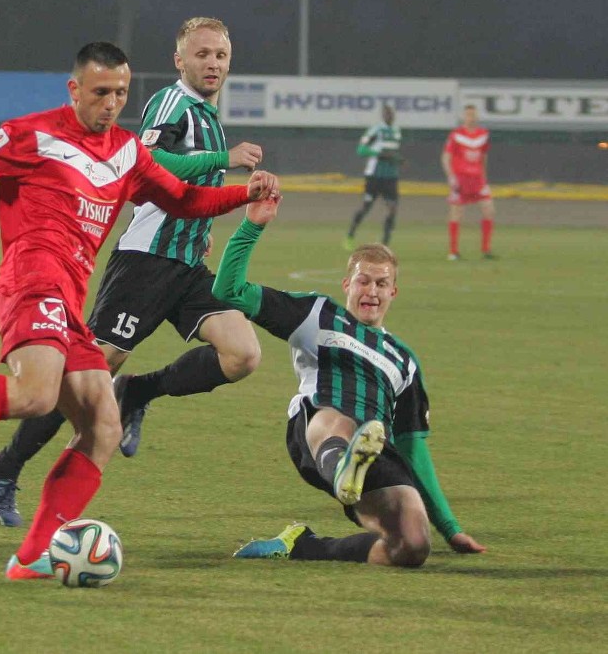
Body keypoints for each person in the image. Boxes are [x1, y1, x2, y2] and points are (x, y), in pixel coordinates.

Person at [0, 41, 279, 581]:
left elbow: (182, 199)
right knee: (36, 393)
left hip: (69, 295)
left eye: (119, 93)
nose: (111, 103)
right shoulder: (34, 135)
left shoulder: (128, 153)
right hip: (31, 277)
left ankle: (31, 556)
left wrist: (242, 196)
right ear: (74, 90)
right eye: (99, 92)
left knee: (104, 427)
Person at [0, 17, 266, 528]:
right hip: (145, 263)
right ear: (180, 61)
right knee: (85, 379)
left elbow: (188, 190)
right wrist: (225, 158)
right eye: (201, 55)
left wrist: (204, 224)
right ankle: (4, 467)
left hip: (187, 265)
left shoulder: (208, 114)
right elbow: (147, 158)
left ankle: (139, 392)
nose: (212, 64)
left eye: (220, 55)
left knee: (242, 354)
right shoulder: (172, 104)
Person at [212, 198, 485, 567]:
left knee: (412, 547)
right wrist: (252, 226)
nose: (371, 291)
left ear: (393, 292)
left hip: (376, 451)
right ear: (347, 284)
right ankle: (343, 468)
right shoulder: (317, 314)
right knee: (341, 417)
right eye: (363, 281)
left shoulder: (403, 360)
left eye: (382, 283)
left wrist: (450, 529)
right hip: (318, 428)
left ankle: (303, 545)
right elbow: (229, 291)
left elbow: (413, 449)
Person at [344, 105, 402, 249]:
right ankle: (350, 234)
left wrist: (397, 159)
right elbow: (361, 150)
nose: (389, 116)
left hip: (391, 176)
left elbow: (392, 153)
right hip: (374, 176)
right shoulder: (375, 131)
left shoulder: (397, 132)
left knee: (392, 209)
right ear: (382, 116)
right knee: (366, 207)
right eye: (386, 113)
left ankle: (385, 243)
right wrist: (379, 154)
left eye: (391, 113)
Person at [441, 105, 495, 260]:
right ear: (464, 117)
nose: (471, 117)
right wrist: (451, 176)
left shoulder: (483, 135)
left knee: (489, 210)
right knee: (456, 213)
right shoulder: (456, 135)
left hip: (478, 179)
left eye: (473, 114)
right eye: (468, 115)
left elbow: (483, 156)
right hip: (460, 179)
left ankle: (486, 249)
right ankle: (453, 251)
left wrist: (484, 176)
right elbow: (446, 157)